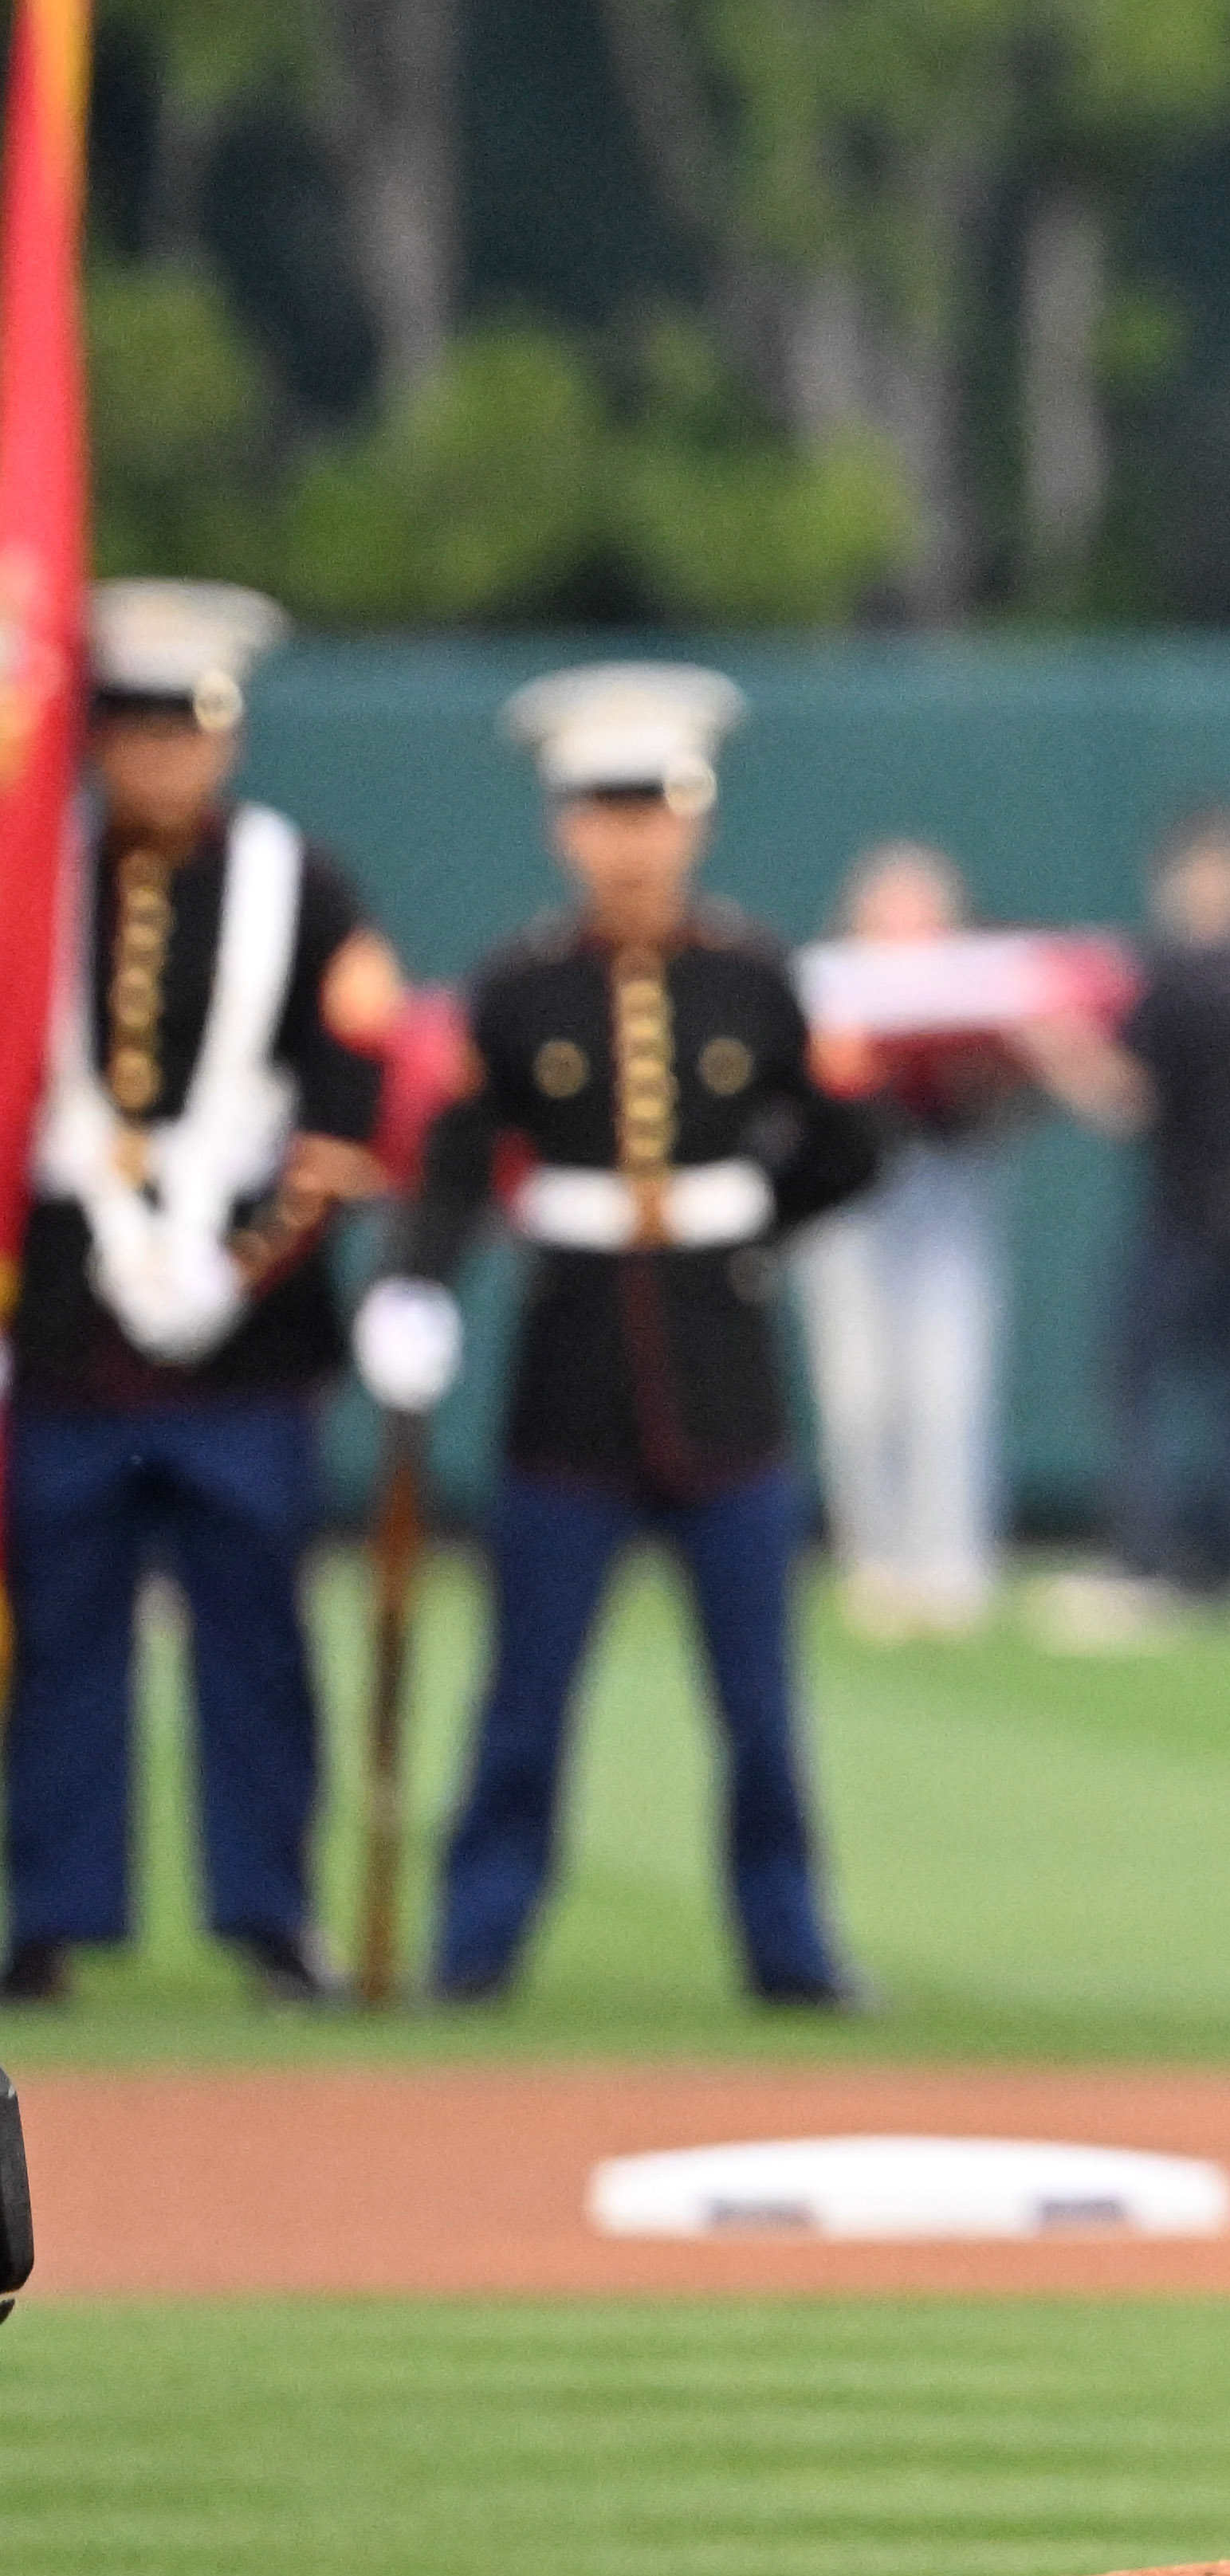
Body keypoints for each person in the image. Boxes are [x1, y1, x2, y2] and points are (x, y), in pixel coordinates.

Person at [361, 665, 882, 2009]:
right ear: (563, 825)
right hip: (570, 1386)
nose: (632, 835)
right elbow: (462, 1162)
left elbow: (845, 1141)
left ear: (695, 820)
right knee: (524, 1702)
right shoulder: (520, 990)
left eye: (655, 806)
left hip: (726, 1382)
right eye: (604, 808)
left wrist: (754, 1215)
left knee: (759, 1712)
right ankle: (475, 1946)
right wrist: (414, 1287)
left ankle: (792, 1951)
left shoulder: (754, 978)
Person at [2, 584, 405, 2009]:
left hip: (247, 1339)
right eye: (133, 729)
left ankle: (266, 1910)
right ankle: (48, 1910)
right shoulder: (32, 881)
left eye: (188, 730)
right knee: (61, 1636)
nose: (160, 757)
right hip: (65, 1333)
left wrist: (242, 1266)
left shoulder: (309, 888)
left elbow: (351, 1096)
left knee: (253, 1634)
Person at [1028, 806, 1230, 1647]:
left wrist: (1059, 1050)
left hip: (1192, 1209)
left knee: (1139, 1377)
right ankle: (1229, 1563)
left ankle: (1147, 1562)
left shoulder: (1176, 981)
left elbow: (1128, 1098)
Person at [792, 840, 1028, 1643]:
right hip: (850, 1195)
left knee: (948, 1382)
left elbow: (1016, 1088)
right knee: (859, 1388)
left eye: (920, 908)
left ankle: (951, 1564)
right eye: (888, 907)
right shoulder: (825, 985)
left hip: (944, 1178)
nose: (903, 924)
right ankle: (876, 1560)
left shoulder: (977, 983)